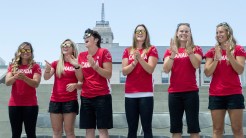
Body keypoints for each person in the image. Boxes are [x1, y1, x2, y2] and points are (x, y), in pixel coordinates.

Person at [68, 28, 113, 138]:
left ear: (96, 39)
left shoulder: (104, 52)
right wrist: (77, 66)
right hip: (86, 97)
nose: (85, 38)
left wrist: (96, 67)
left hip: (102, 96)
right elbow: (81, 79)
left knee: (102, 130)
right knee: (89, 130)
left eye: (88, 36)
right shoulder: (82, 55)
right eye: (84, 36)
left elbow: (109, 74)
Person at [204, 22, 246, 138]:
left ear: (228, 33)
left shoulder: (238, 49)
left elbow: (240, 70)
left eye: (221, 32)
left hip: (234, 94)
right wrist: (216, 59)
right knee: (217, 130)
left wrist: (229, 54)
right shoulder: (212, 51)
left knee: (237, 129)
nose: (218, 34)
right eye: (217, 32)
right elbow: (207, 73)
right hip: (216, 95)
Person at [163, 23, 203, 138]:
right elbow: (166, 69)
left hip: (191, 93)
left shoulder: (196, 49)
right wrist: (173, 53)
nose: (184, 33)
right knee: (176, 129)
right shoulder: (170, 50)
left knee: (194, 129)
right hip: (174, 93)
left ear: (190, 33)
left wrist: (190, 51)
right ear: (177, 33)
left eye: (186, 31)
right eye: (181, 31)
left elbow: (196, 65)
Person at [122, 24, 158, 138]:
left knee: (147, 129)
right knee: (132, 129)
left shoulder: (152, 49)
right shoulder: (127, 50)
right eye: (138, 31)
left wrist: (140, 59)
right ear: (134, 34)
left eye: (142, 31)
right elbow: (124, 71)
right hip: (130, 95)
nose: (140, 33)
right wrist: (134, 62)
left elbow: (150, 69)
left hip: (146, 94)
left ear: (146, 34)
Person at [43, 39, 81, 138]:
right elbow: (46, 77)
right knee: (56, 132)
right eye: (63, 44)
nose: (65, 46)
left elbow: (82, 81)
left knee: (69, 132)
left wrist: (75, 85)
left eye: (68, 44)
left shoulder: (77, 63)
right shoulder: (56, 63)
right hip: (55, 100)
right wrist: (47, 70)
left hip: (70, 101)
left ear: (73, 49)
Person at [5, 42, 42, 138]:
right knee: (15, 134)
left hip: (30, 105)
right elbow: (7, 82)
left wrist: (24, 78)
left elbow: (36, 83)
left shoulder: (35, 66)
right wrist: (16, 77)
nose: (26, 52)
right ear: (19, 52)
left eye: (28, 50)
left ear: (31, 52)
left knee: (31, 133)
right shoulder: (13, 66)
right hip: (14, 104)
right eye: (23, 50)